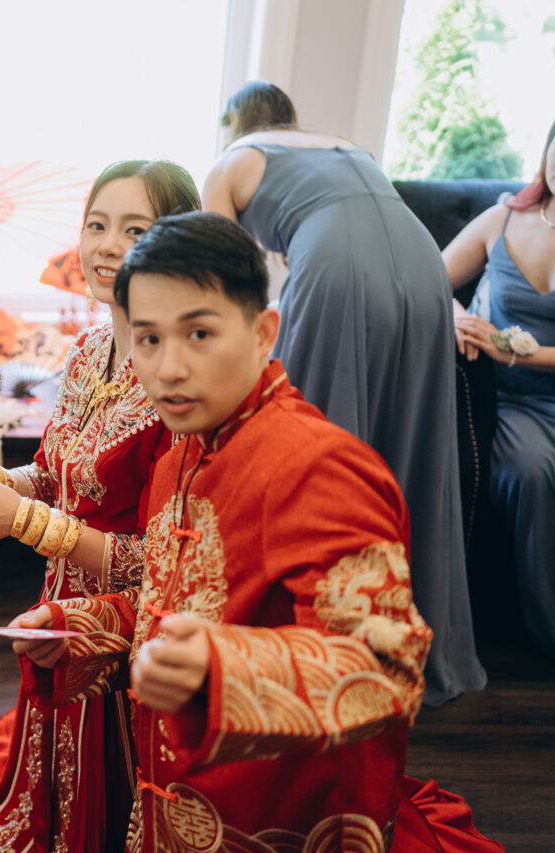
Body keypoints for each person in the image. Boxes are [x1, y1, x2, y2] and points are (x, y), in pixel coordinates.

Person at [11, 211, 502, 851]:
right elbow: (176, 605)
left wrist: (220, 669)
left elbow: (386, 671)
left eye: (199, 333)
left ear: (263, 331)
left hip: (272, 821)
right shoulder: (179, 459)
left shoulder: (318, 467)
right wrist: (80, 627)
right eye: (149, 339)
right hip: (171, 807)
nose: (169, 368)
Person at [0, 161, 199, 853]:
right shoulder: (89, 349)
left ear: (176, 243)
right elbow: (58, 473)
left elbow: (163, 564)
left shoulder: (180, 384)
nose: (107, 246)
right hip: (58, 602)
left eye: (135, 230)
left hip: (126, 635)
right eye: (97, 225)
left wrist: (21, 521)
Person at [201, 80, 485, 706]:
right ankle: (403, 636)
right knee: (408, 437)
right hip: (424, 266)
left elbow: (216, 274)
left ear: (235, 126)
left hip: (336, 261)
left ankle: (317, 638)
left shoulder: (233, 160)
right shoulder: (344, 146)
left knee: (306, 431)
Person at [443, 118, 555, 659]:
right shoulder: (502, 218)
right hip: (510, 403)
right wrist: (456, 316)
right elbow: (429, 279)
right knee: (529, 472)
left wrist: (520, 351)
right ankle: (546, 628)